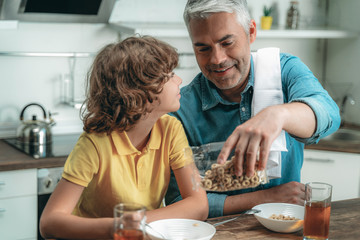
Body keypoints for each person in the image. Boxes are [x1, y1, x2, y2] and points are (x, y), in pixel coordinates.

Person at [165, 0, 341, 218]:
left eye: (227, 42)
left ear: (251, 32)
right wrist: (263, 198)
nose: (217, 59)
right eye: (203, 48)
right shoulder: (182, 110)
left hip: (283, 226)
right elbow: (178, 200)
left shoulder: (284, 70)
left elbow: (329, 113)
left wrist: (279, 114)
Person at [39, 36, 208, 239]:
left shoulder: (170, 129)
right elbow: (49, 223)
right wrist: (117, 227)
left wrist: (136, 223)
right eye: (169, 75)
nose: (179, 80)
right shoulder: (94, 143)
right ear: (140, 93)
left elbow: (199, 205)